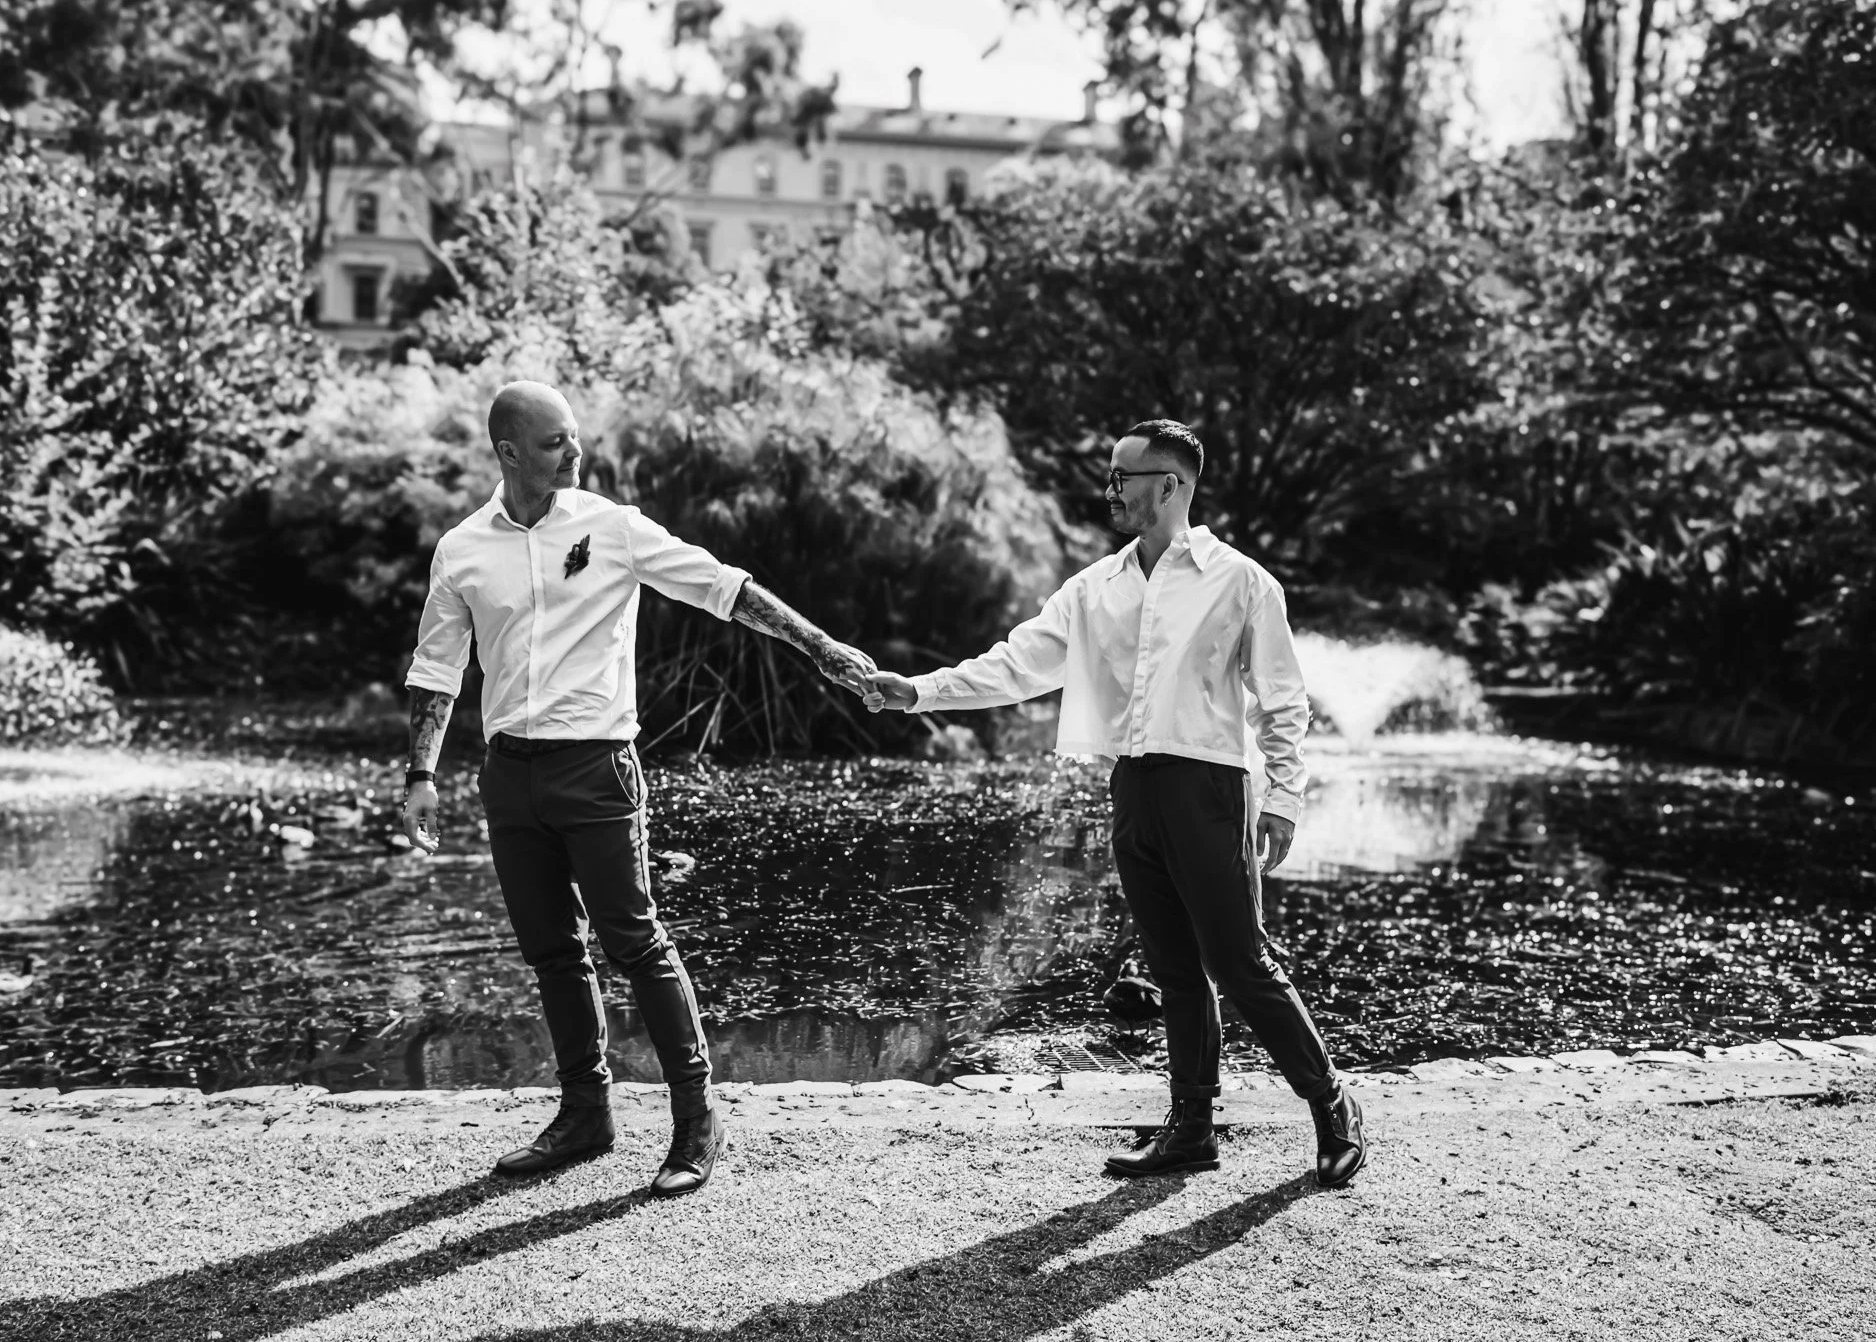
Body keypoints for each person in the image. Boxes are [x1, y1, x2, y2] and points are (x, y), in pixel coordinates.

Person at [399, 380, 874, 1198]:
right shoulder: (462, 548)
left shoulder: (611, 527)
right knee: (552, 949)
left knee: (636, 941)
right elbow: (437, 666)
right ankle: (586, 1114)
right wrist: (421, 773)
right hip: (510, 775)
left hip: (598, 768)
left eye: (575, 437)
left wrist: (820, 645)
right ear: (508, 451)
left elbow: (723, 587)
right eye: (556, 443)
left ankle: (696, 1118)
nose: (575, 453)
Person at [862, 420, 1366, 1187]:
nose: (1110, 490)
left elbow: (1283, 704)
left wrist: (1285, 798)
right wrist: (919, 692)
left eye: (1123, 476)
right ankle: (1191, 1129)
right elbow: (1015, 665)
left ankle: (1332, 1104)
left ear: (1170, 485)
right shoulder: (1096, 586)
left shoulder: (1242, 581)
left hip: (1210, 789)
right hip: (1133, 788)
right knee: (1172, 965)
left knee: (1239, 961)